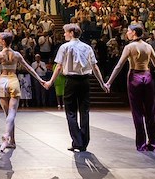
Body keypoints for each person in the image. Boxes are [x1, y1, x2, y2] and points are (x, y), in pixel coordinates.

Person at [0, 31, 46, 152]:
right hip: (13, 80)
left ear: (3, 41)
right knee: (12, 113)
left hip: (2, 81)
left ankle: (8, 138)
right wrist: (40, 80)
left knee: (8, 114)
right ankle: (10, 139)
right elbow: (30, 68)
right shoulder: (16, 54)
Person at [104, 25, 155, 151]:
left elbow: (119, 66)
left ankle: (141, 143)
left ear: (134, 32)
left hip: (135, 77)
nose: (127, 33)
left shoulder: (129, 47)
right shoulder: (148, 46)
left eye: (128, 31)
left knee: (137, 112)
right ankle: (154, 143)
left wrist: (109, 82)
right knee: (150, 111)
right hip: (147, 76)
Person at [44, 23, 107, 153]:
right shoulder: (87, 47)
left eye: (66, 32)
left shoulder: (65, 47)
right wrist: (102, 83)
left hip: (71, 81)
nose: (64, 34)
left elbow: (59, 67)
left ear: (71, 33)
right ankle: (83, 142)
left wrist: (50, 81)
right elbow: (95, 67)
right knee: (84, 112)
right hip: (84, 81)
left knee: (71, 112)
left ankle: (77, 141)